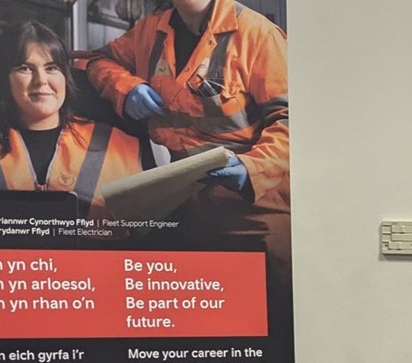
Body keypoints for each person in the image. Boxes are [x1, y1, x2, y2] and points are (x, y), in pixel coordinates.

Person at [86, 0, 289, 213]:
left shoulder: (258, 34)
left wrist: (253, 169)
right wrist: (125, 89)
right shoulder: (151, 30)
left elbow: (293, 120)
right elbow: (99, 60)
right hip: (181, 195)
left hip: (256, 199)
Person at [0, 22, 146, 216]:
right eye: (25, 68)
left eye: (52, 68)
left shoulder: (122, 145)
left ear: (65, 77)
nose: (41, 80)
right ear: (4, 78)